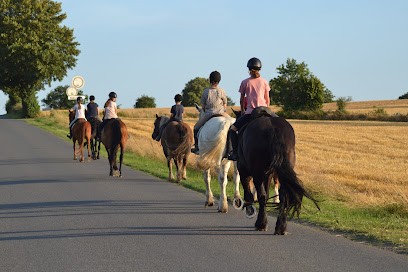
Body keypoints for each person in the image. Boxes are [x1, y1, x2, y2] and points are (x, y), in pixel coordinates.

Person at [226, 57, 271, 161]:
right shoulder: (264, 82)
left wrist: (243, 111)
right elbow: (267, 100)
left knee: (232, 130)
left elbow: (242, 100)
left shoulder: (245, 82)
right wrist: (267, 110)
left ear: (249, 69)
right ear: (260, 69)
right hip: (265, 111)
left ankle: (235, 153)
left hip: (251, 113)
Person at [191, 70, 229, 154]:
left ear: (210, 80)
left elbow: (203, 107)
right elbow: (225, 103)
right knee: (231, 124)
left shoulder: (205, 92)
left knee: (196, 128)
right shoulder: (222, 91)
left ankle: (197, 146)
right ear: (219, 81)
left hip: (209, 114)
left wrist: (204, 110)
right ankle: (231, 148)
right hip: (221, 113)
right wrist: (223, 109)